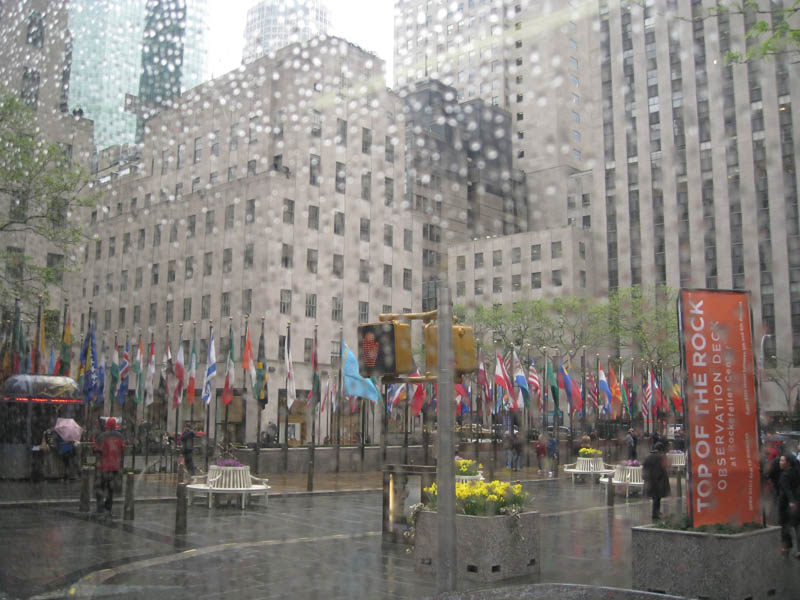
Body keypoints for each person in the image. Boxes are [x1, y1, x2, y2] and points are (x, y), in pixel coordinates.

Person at [768, 453, 800, 555]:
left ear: (788, 463)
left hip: (786, 504)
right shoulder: (796, 471)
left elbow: (787, 490)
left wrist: (791, 501)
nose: (780, 463)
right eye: (780, 461)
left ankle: (787, 547)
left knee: (785, 524)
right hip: (797, 501)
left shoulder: (785, 475)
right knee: (797, 525)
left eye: (782, 461)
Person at [93, 417, 124, 520]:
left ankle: (100, 510)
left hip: (104, 467)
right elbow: (122, 449)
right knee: (111, 490)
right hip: (115, 467)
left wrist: (98, 461)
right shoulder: (120, 436)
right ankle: (108, 510)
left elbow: (97, 450)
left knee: (100, 488)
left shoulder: (102, 436)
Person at [643, 442, 670, 521]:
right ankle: (655, 513)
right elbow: (663, 469)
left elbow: (644, 468)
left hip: (650, 481)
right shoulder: (661, 457)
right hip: (659, 481)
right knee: (657, 498)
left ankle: (656, 512)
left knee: (655, 498)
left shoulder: (648, 457)